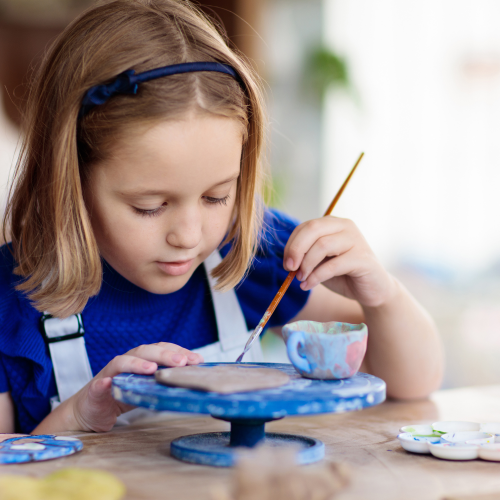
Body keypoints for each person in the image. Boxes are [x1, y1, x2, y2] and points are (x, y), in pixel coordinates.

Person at [0, 0, 443, 435]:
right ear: (69, 178)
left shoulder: (255, 251)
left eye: (216, 197)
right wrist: (78, 418)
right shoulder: (11, 303)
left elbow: (413, 384)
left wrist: (382, 296)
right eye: (149, 206)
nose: (189, 236)